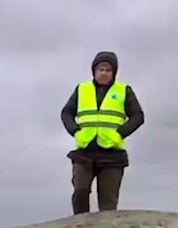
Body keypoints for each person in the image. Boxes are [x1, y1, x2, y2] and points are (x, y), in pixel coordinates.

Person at [60, 51, 144, 214]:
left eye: (108, 70)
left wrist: (120, 134)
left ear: (114, 73)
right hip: (85, 150)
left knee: (108, 202)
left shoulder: (123, 90)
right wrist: (76, 131)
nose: (104, 73)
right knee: (80, 191)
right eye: (101, 69)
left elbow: (138, 116)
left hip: (112, 153)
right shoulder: (82, 89)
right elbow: (66, 113)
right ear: (94, 71)